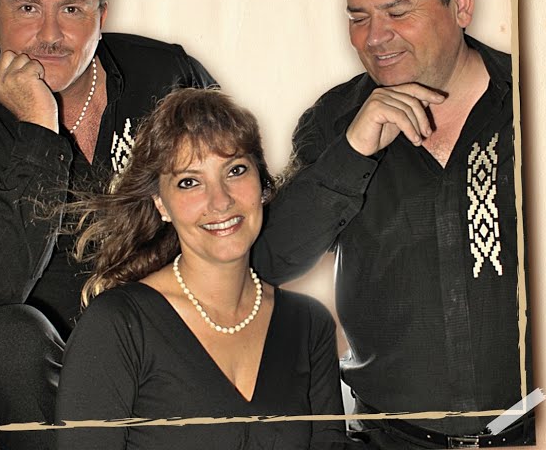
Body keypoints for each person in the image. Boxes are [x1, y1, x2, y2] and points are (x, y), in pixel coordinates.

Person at [251, 0, 534, 448]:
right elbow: (269, 263)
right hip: (389, 439)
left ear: (461, 4)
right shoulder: (334, 121)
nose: (375, 37)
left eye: (398, 12)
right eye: (358, 17)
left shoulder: (543, 97)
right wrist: (353, 150)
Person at [0, 0, 216, 450]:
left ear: (102, 16)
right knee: (7, 339)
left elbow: (237, 190)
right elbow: (0, 284)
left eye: (72, 10)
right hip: (40, 359)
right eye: (27, 8)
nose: (50, 36)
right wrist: (38, 128)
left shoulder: (163, 73)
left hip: (157, 326)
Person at [55, 88, 349, 449]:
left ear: (262, 184)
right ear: (161, 204)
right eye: (189, 182)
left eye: (235, 170)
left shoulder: (309, 325)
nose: (220, 200)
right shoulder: (118, 325)